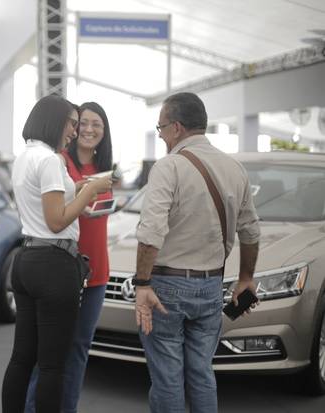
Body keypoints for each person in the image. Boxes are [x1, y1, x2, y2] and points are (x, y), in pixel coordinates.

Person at [133, 92, 261, 413]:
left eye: (161, 127)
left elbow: (150, 233)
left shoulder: (169, 167)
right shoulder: (235, 169)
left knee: (167, 378)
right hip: (210, 288)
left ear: (176, 127)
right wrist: (246, 278)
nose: (160, 134)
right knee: (202, 374)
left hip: (166, 288)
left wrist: (142, 284)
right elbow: (251, 231)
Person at [1, 95, 112, 413]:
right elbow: (57, 219)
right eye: (73, 123)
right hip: (54, 264)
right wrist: (90, 190)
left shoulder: (26, 156)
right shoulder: (50, 160)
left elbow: (52, 201)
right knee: (53, 364)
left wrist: (83, 186)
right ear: (55, 121)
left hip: (26, 259)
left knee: (22, 358)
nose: (75, 132)